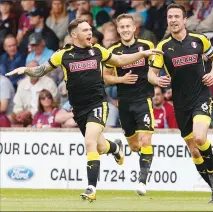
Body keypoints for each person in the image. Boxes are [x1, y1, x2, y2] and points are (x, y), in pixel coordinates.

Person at [6, 18, 162, 202]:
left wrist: (143, 55)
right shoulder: (62, 55)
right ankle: (115, 148)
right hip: (78, 109)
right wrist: (25, 70)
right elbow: (41, 70)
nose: (90, 33)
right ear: (74, 35)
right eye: (86, 30)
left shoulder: (97, 50)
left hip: (97, 104)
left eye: (90, 29)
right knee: (101, 146)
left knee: (90, 143)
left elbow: (120, 60)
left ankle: (91, 188)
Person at [148, 3, 213, 204]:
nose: (172, 20)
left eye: (176, 16)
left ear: (184, 20)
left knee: (200, 137)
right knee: (193, 149)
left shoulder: (199, 41)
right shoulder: (162, 47)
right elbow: (151, 74)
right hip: (180, 103)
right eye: (169, 17)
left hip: (201, 96)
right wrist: (157, 80)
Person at [104, 14, 155, 196]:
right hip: (124, 103)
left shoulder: (147, 46)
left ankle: (142, 182)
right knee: (134, 146)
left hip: (144, 100)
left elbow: (155, 68)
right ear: (118, 30)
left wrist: (158, 80)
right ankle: (117, 149)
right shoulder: (113, 51)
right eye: (122, 27)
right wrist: (121, 79)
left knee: (145, 141)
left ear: (134, 28)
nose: (125, 29)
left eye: (128, 26)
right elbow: (106, 77)